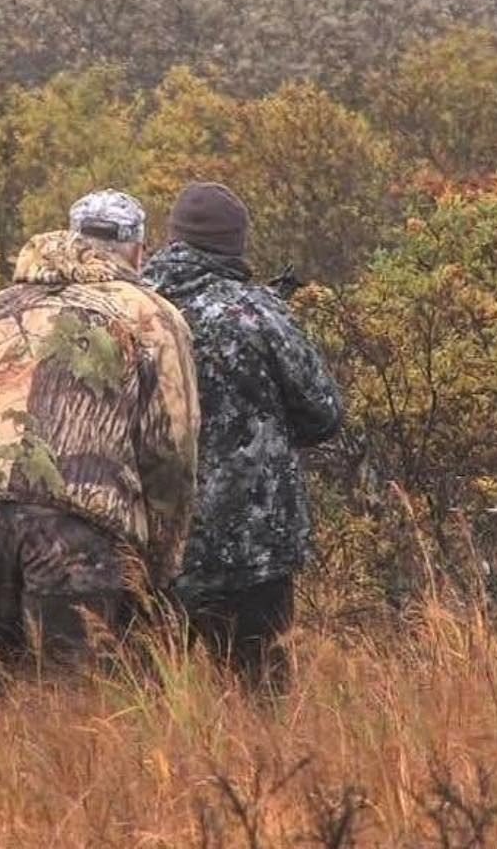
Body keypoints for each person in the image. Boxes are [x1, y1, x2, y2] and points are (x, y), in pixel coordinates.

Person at [0, 189, 200, 671]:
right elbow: (170, 450)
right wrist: (157, 566)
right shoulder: (151, 315)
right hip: (77, 524)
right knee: (73, 694)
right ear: (139, 249)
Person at [143, 182, 343, 691]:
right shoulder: (254, 312)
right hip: (251, 547)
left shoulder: (129, 309)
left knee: (144, 700)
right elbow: (324, 413)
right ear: (236, 242)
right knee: (260, 698)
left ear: (172, 235)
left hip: (149, 543)